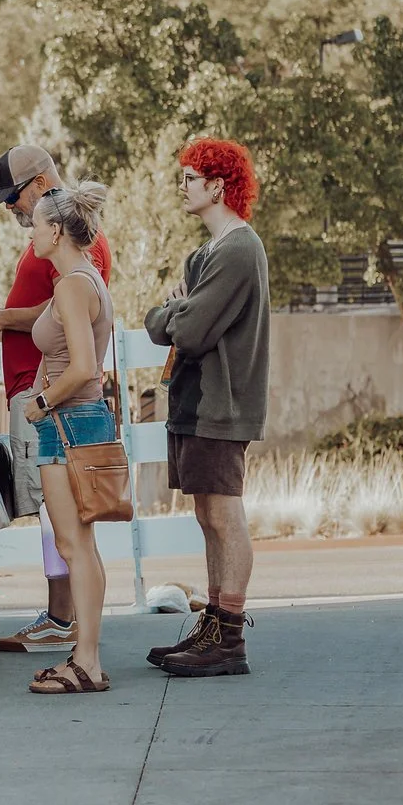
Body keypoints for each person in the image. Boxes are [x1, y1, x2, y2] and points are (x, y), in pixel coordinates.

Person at [0, 145, 111, 654]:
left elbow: (73, 324)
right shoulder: (59, 250)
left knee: (65, 525)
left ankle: (68, 627)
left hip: (54, 399)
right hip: (49, 394)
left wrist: (41, 399)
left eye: (14, 196)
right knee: (64, 526)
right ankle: (72, 633)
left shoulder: (75, 253)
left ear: (42, 184)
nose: (11, 208)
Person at [144, 139, 268, 677]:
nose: (183, 186)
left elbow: (189, 331)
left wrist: (174, 310)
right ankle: (213, 624)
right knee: (205, 515)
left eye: (191, 178)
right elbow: (163, 325)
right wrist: (174, 312)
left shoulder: (239, 250)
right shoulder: (204, 255)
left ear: (218, 186)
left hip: (222, 403)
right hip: (195, 403)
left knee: (223, 513)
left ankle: (229, 638)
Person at [16, 183, 116, 694]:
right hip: (77, 421)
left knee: (74, 546)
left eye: (35, 224)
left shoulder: (73, 285)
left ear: (55, 230)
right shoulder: (84, 279)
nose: (30, 234)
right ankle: (86, 659)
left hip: (68, 422)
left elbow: (81, 368)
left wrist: (41, 402)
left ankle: (86, 662)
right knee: (80, 546)